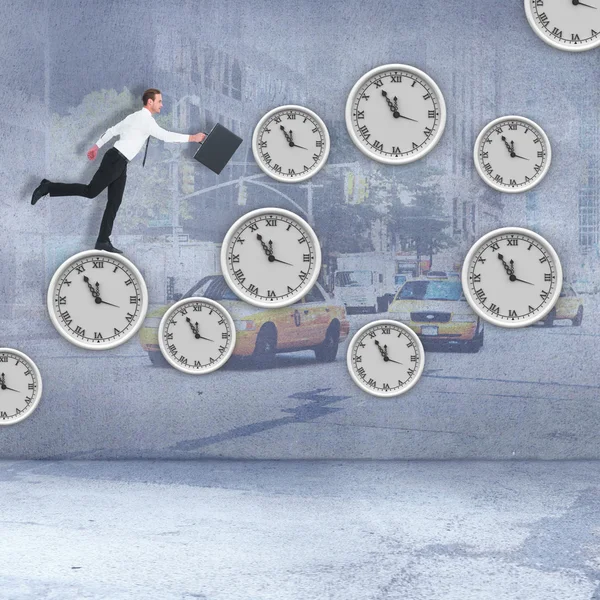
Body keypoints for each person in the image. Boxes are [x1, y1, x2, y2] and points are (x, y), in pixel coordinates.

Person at [31, 88, 206, 254]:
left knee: (115, 201)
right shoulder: (145, 120)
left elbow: (112, 131)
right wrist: (193, 138)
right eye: (159, 101)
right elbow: (166, 136)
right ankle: (48, 187)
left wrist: (97, 146)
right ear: (150, 102)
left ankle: (103, 240)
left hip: (119, 161)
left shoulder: (134, 117)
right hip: (116, 160)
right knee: (90, 191)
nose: (162, 105)